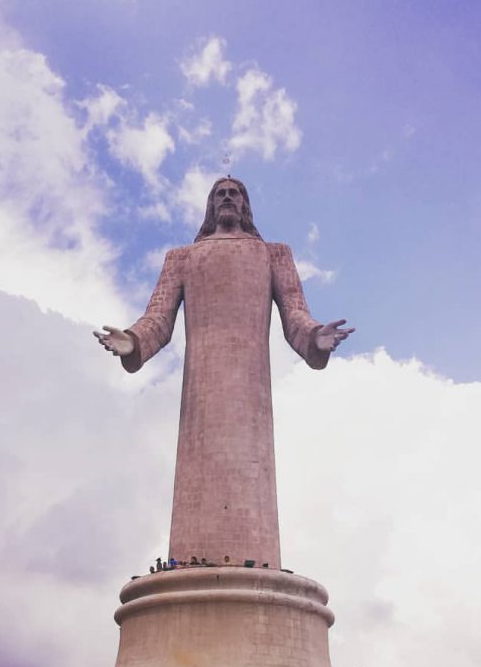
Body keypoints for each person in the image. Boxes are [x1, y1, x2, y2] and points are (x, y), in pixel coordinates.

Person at [94, 177, 353, 569]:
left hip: (252, 396)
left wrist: (317, 338)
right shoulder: (182, 258)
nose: (228, 197)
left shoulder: (273, 254)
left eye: (235, 193)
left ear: (246, 205)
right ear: (210, 205)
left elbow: (296, 314)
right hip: (201, 393)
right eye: (220, 193)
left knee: (252, 474)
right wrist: (132, 342)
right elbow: (158, 318)